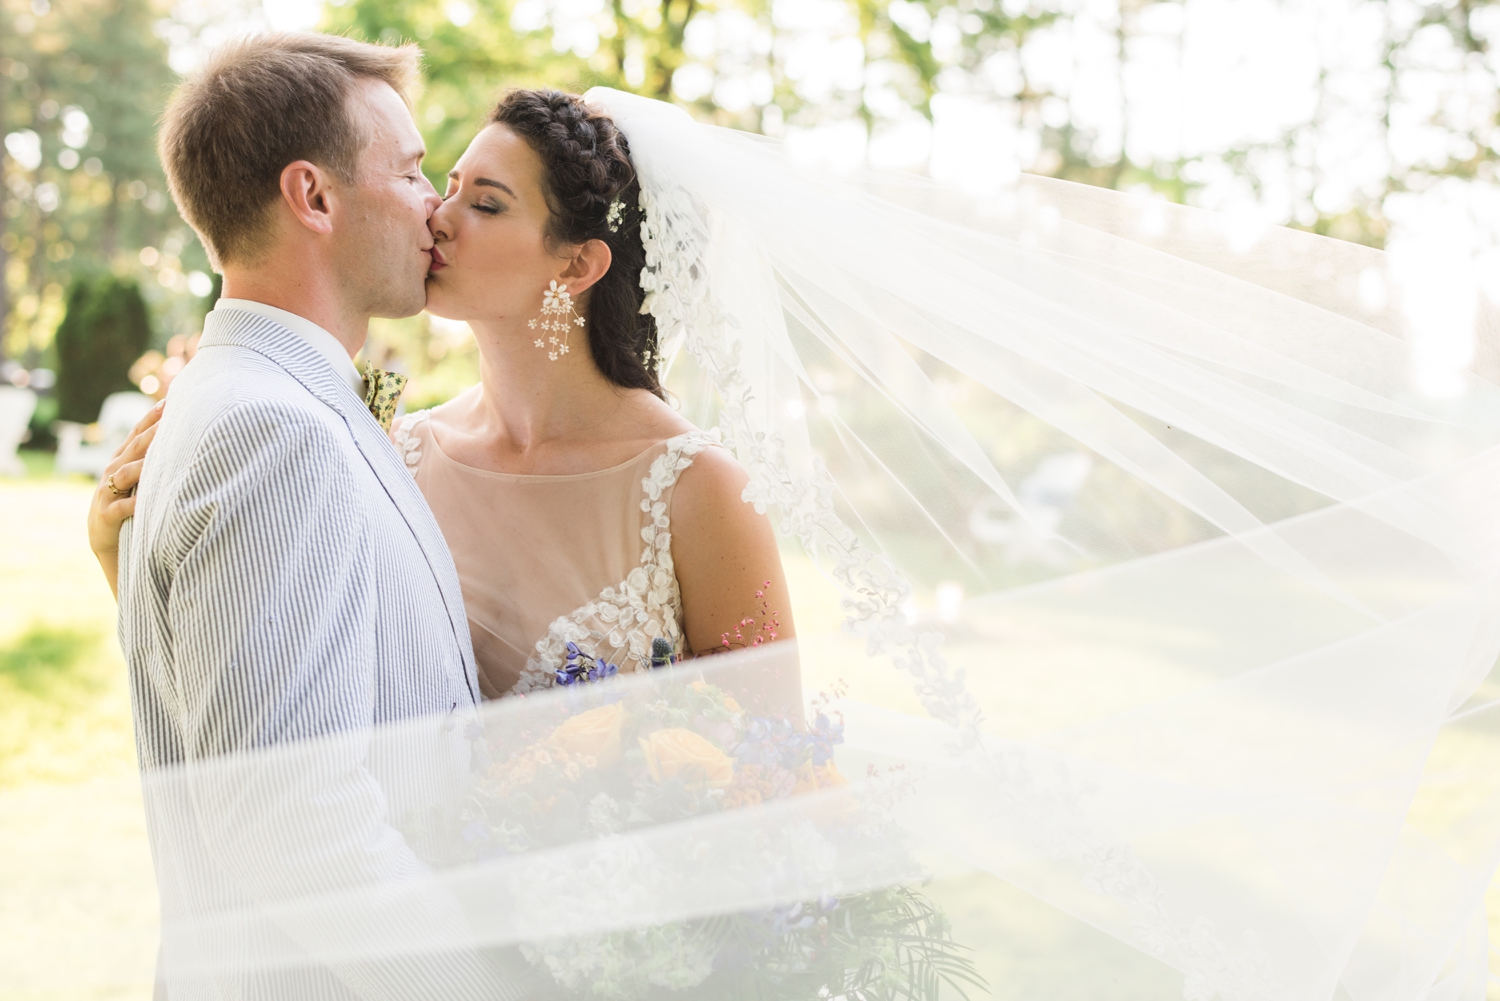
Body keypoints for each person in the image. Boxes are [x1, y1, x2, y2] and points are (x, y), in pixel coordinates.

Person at [96, 33, 539, 1000]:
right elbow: (293, 822)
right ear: (315, 197)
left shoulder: (274, 402)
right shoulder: (274, 432)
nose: (439, 206)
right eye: (416, 170)